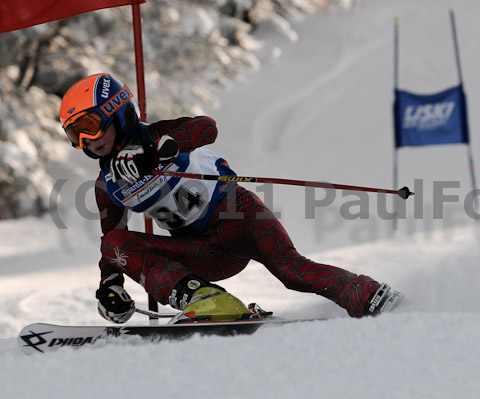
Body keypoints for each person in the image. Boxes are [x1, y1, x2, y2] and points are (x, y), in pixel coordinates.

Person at [59, 73, 402, 324]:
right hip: (203, 252)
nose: (88, 140)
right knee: (117, 241)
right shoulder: (108, 186)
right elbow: (113, 245)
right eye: (76, 134)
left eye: (90, 125)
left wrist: (151, 152)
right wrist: (110, 285)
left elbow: (206, 128)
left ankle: (369, 294)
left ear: (118, 112)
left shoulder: (158, 135)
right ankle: (206, 300)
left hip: (240, 217)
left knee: (291, 272)